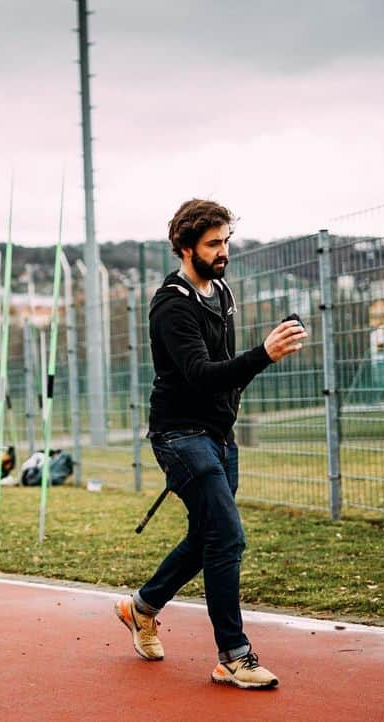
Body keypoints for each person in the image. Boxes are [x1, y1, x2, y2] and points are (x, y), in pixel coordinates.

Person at [114, 198, 307, 689]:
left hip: (218, 436)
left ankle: (142, 608)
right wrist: (264, 353)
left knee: (206, 538)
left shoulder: (221, 292)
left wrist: (230, 411)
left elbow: (224, 375)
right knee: (228, 536)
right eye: (213, 244)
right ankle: (234, 656)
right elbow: (201, 375)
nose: (223, 252)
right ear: (185, 248)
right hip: (179, 436)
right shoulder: (171, 305)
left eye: (226, 242)